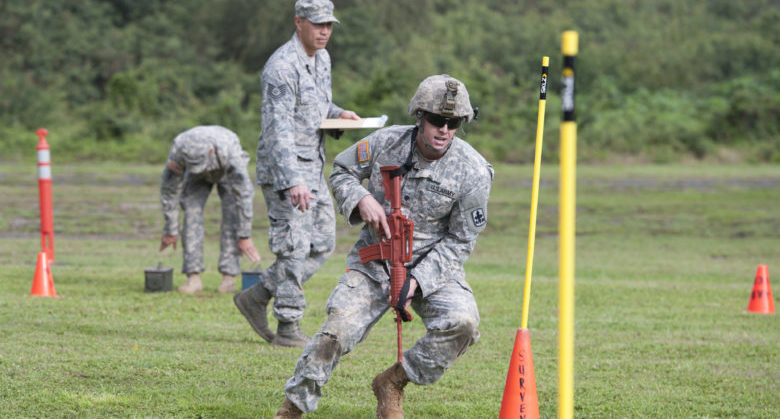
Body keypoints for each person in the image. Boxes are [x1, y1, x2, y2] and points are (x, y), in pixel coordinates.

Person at [273, 74, 494, 418]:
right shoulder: (384, 144)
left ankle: (393, 383)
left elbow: (461, 239)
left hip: (432, 265)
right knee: (335, 332)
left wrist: (417, 281)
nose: (444, 130)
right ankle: (293, 406)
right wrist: (360, 198)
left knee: (462, 323)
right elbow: (342, 170)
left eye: (453, 123)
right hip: (375, 262)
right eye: (437, 120)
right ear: (420, 117)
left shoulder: (474, 171)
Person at [233, 0, 360, 348]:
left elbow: (316, 107)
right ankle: (288, 324)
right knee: (293, 245)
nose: (325, 31)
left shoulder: (322, 59)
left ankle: (257, 295)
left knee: (322, 242)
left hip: (312, 164)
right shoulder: (281, 67)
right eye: (318, 24)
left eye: (329, 25)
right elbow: (277, 129)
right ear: (298, 23)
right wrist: (292, 180)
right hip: (286, 169)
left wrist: (340, 114)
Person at [159, 125, 260, 294]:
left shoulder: (230, 152)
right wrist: (171, 229)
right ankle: (193, 278)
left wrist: (245, 235)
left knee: (232, 216)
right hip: (193, 176)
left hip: (226, 169)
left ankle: (229, 277)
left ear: (211, 152)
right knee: (190, 213)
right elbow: (169, 190)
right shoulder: (179, 148)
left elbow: (244, 194)